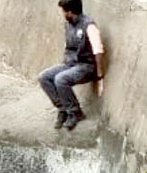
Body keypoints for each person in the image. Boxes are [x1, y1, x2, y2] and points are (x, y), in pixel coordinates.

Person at [38, 0, 105, 130]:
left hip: (86, 66)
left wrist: (99, 75)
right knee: (44, 77)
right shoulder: (68, 25)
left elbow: (98, 50)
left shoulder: (89, 26)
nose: (62, 13)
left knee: (61, 79)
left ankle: (75, 112)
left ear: (69, 11)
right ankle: (63, 108)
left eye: (63, 11)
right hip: (70, 64)